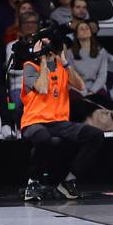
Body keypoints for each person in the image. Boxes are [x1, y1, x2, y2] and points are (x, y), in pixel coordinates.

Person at [20, 36, 104, 201]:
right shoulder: (30, 66)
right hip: (34, 121)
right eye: (44, 44)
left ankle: (68, 180)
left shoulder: (62, 67)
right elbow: (42, 88)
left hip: (59, 122)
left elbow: (81, 86)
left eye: (50, 44)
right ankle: (33, 183)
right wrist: (42, 60)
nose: (48, 47)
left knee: (96, 135)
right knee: (43, 138)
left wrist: (65, 62)